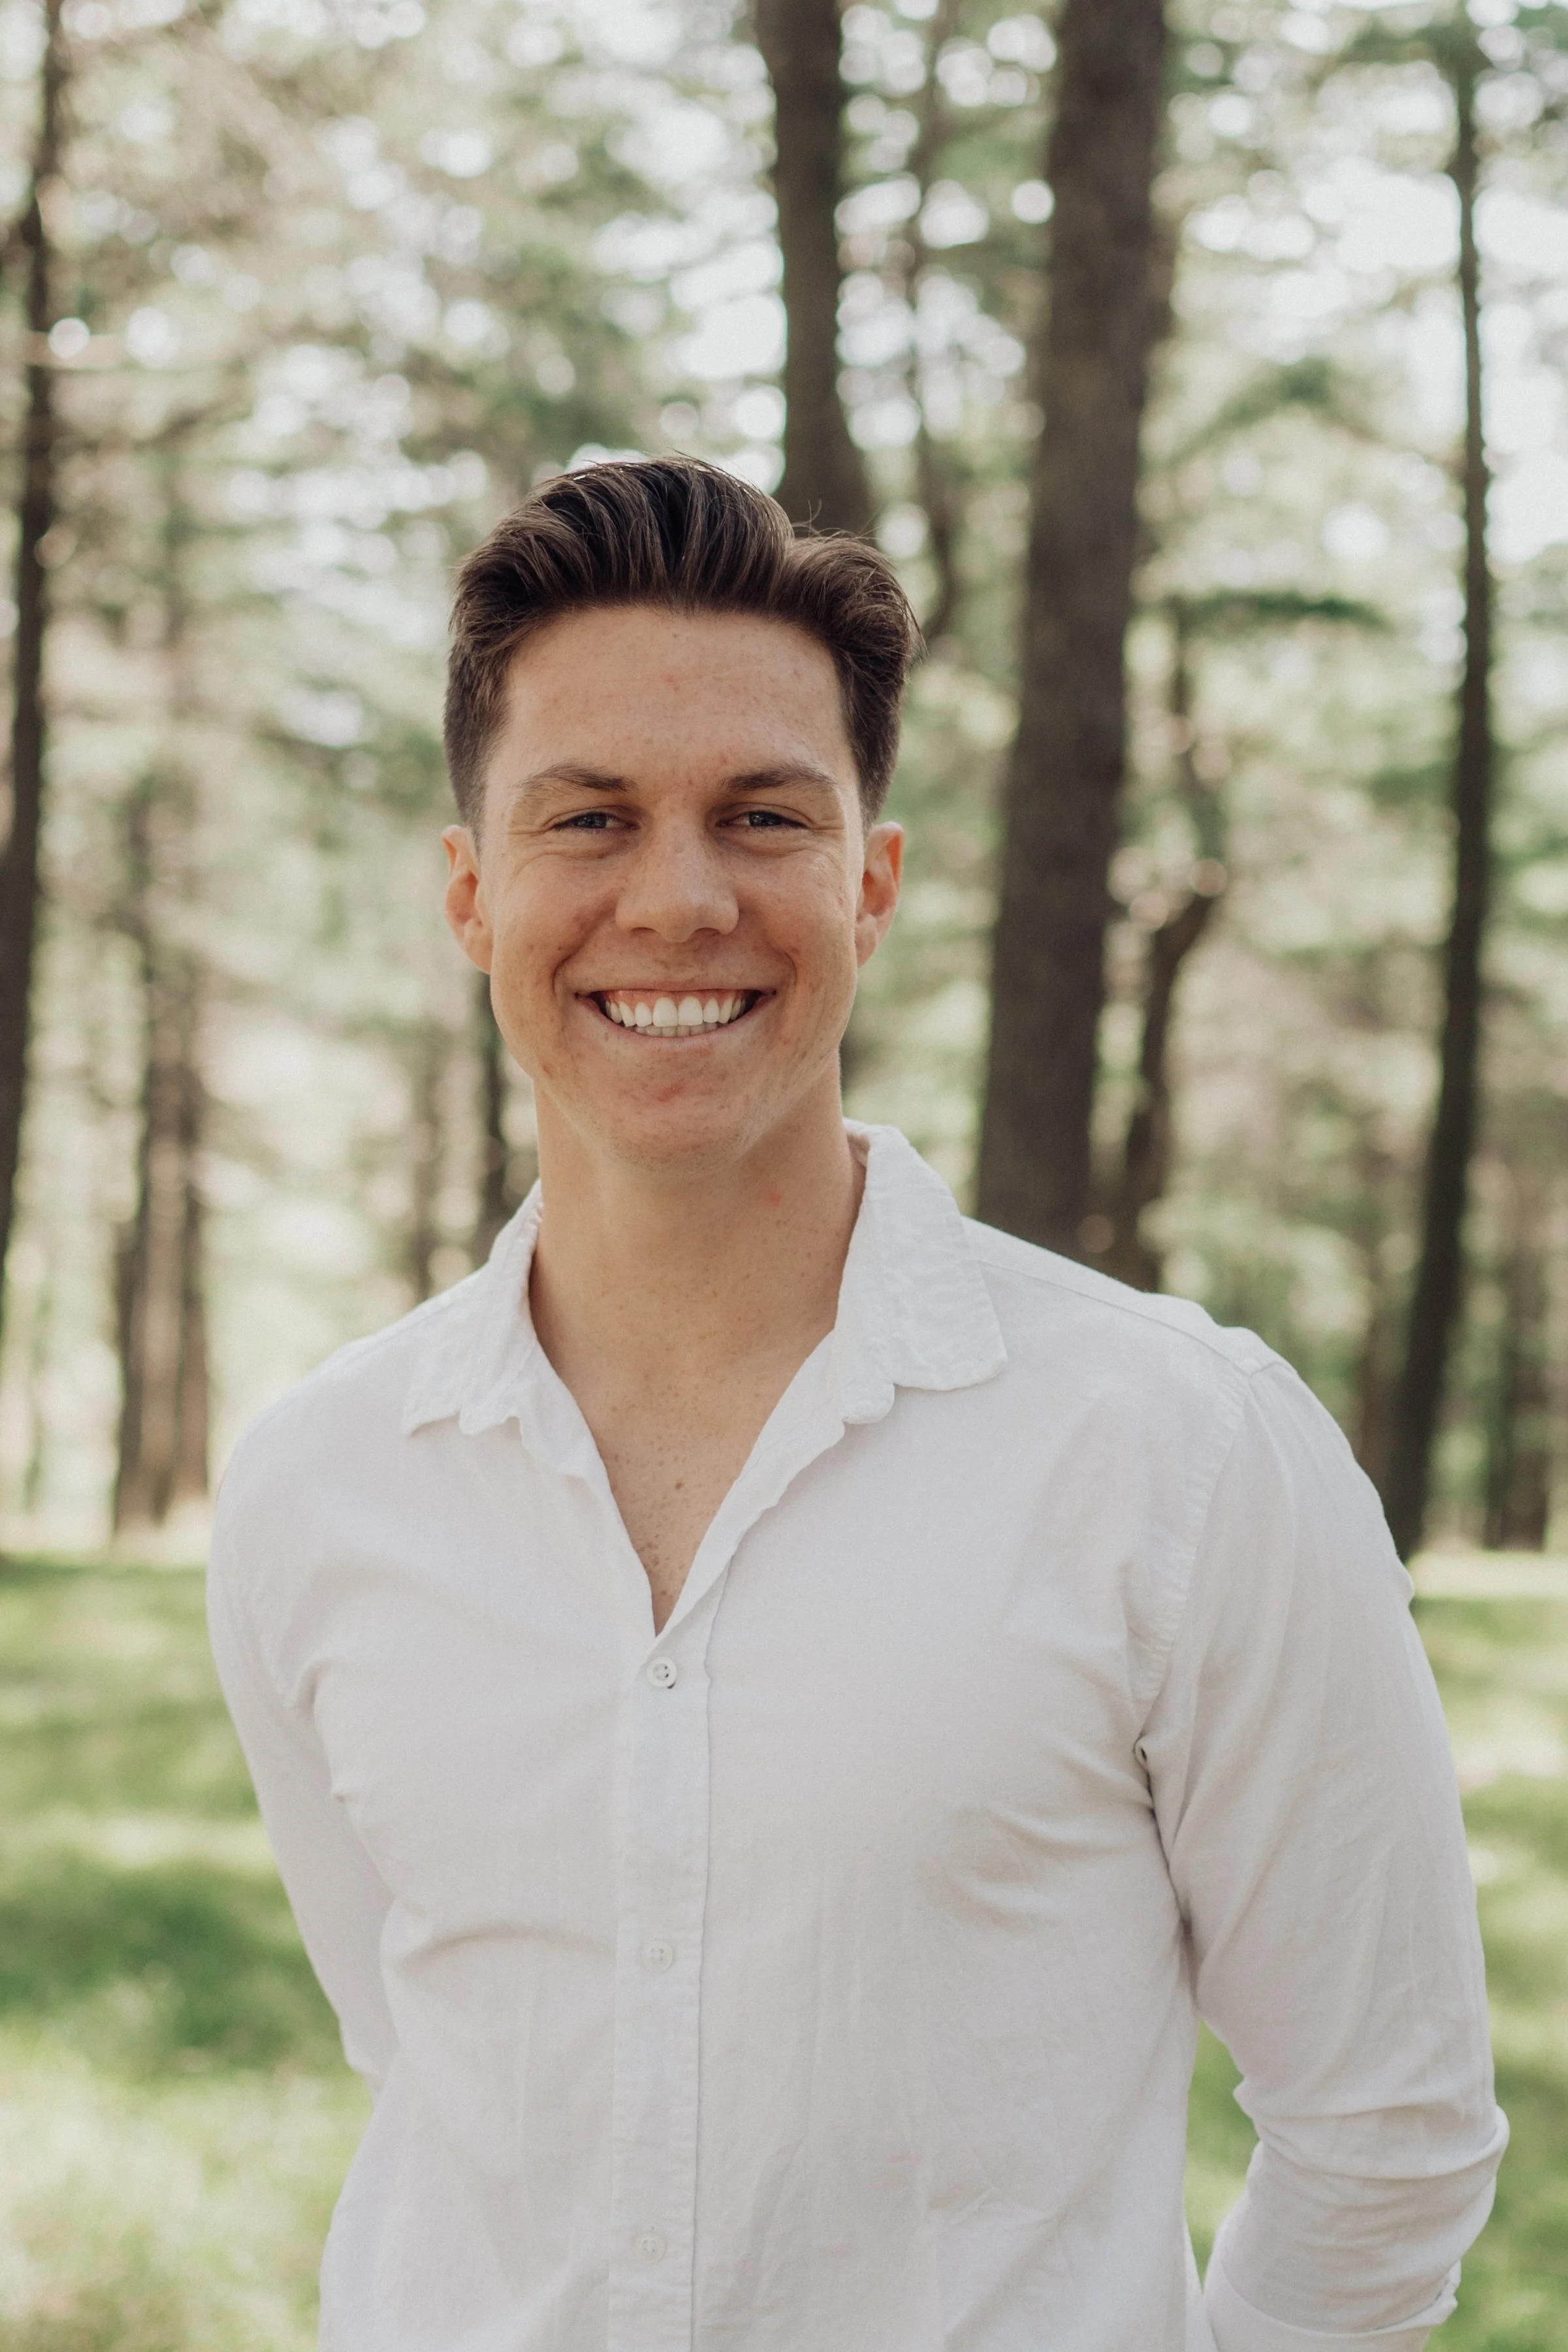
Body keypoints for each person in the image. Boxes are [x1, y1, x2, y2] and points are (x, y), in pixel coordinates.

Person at [208, 456, 1505, 2352]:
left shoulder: (1182, 1452)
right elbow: (427, 2061)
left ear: (869, 883)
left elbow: (1385, 2142)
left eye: (762, 816)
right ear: (472, 897)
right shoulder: (320, 1485)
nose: (678, 898)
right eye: (589, 819)